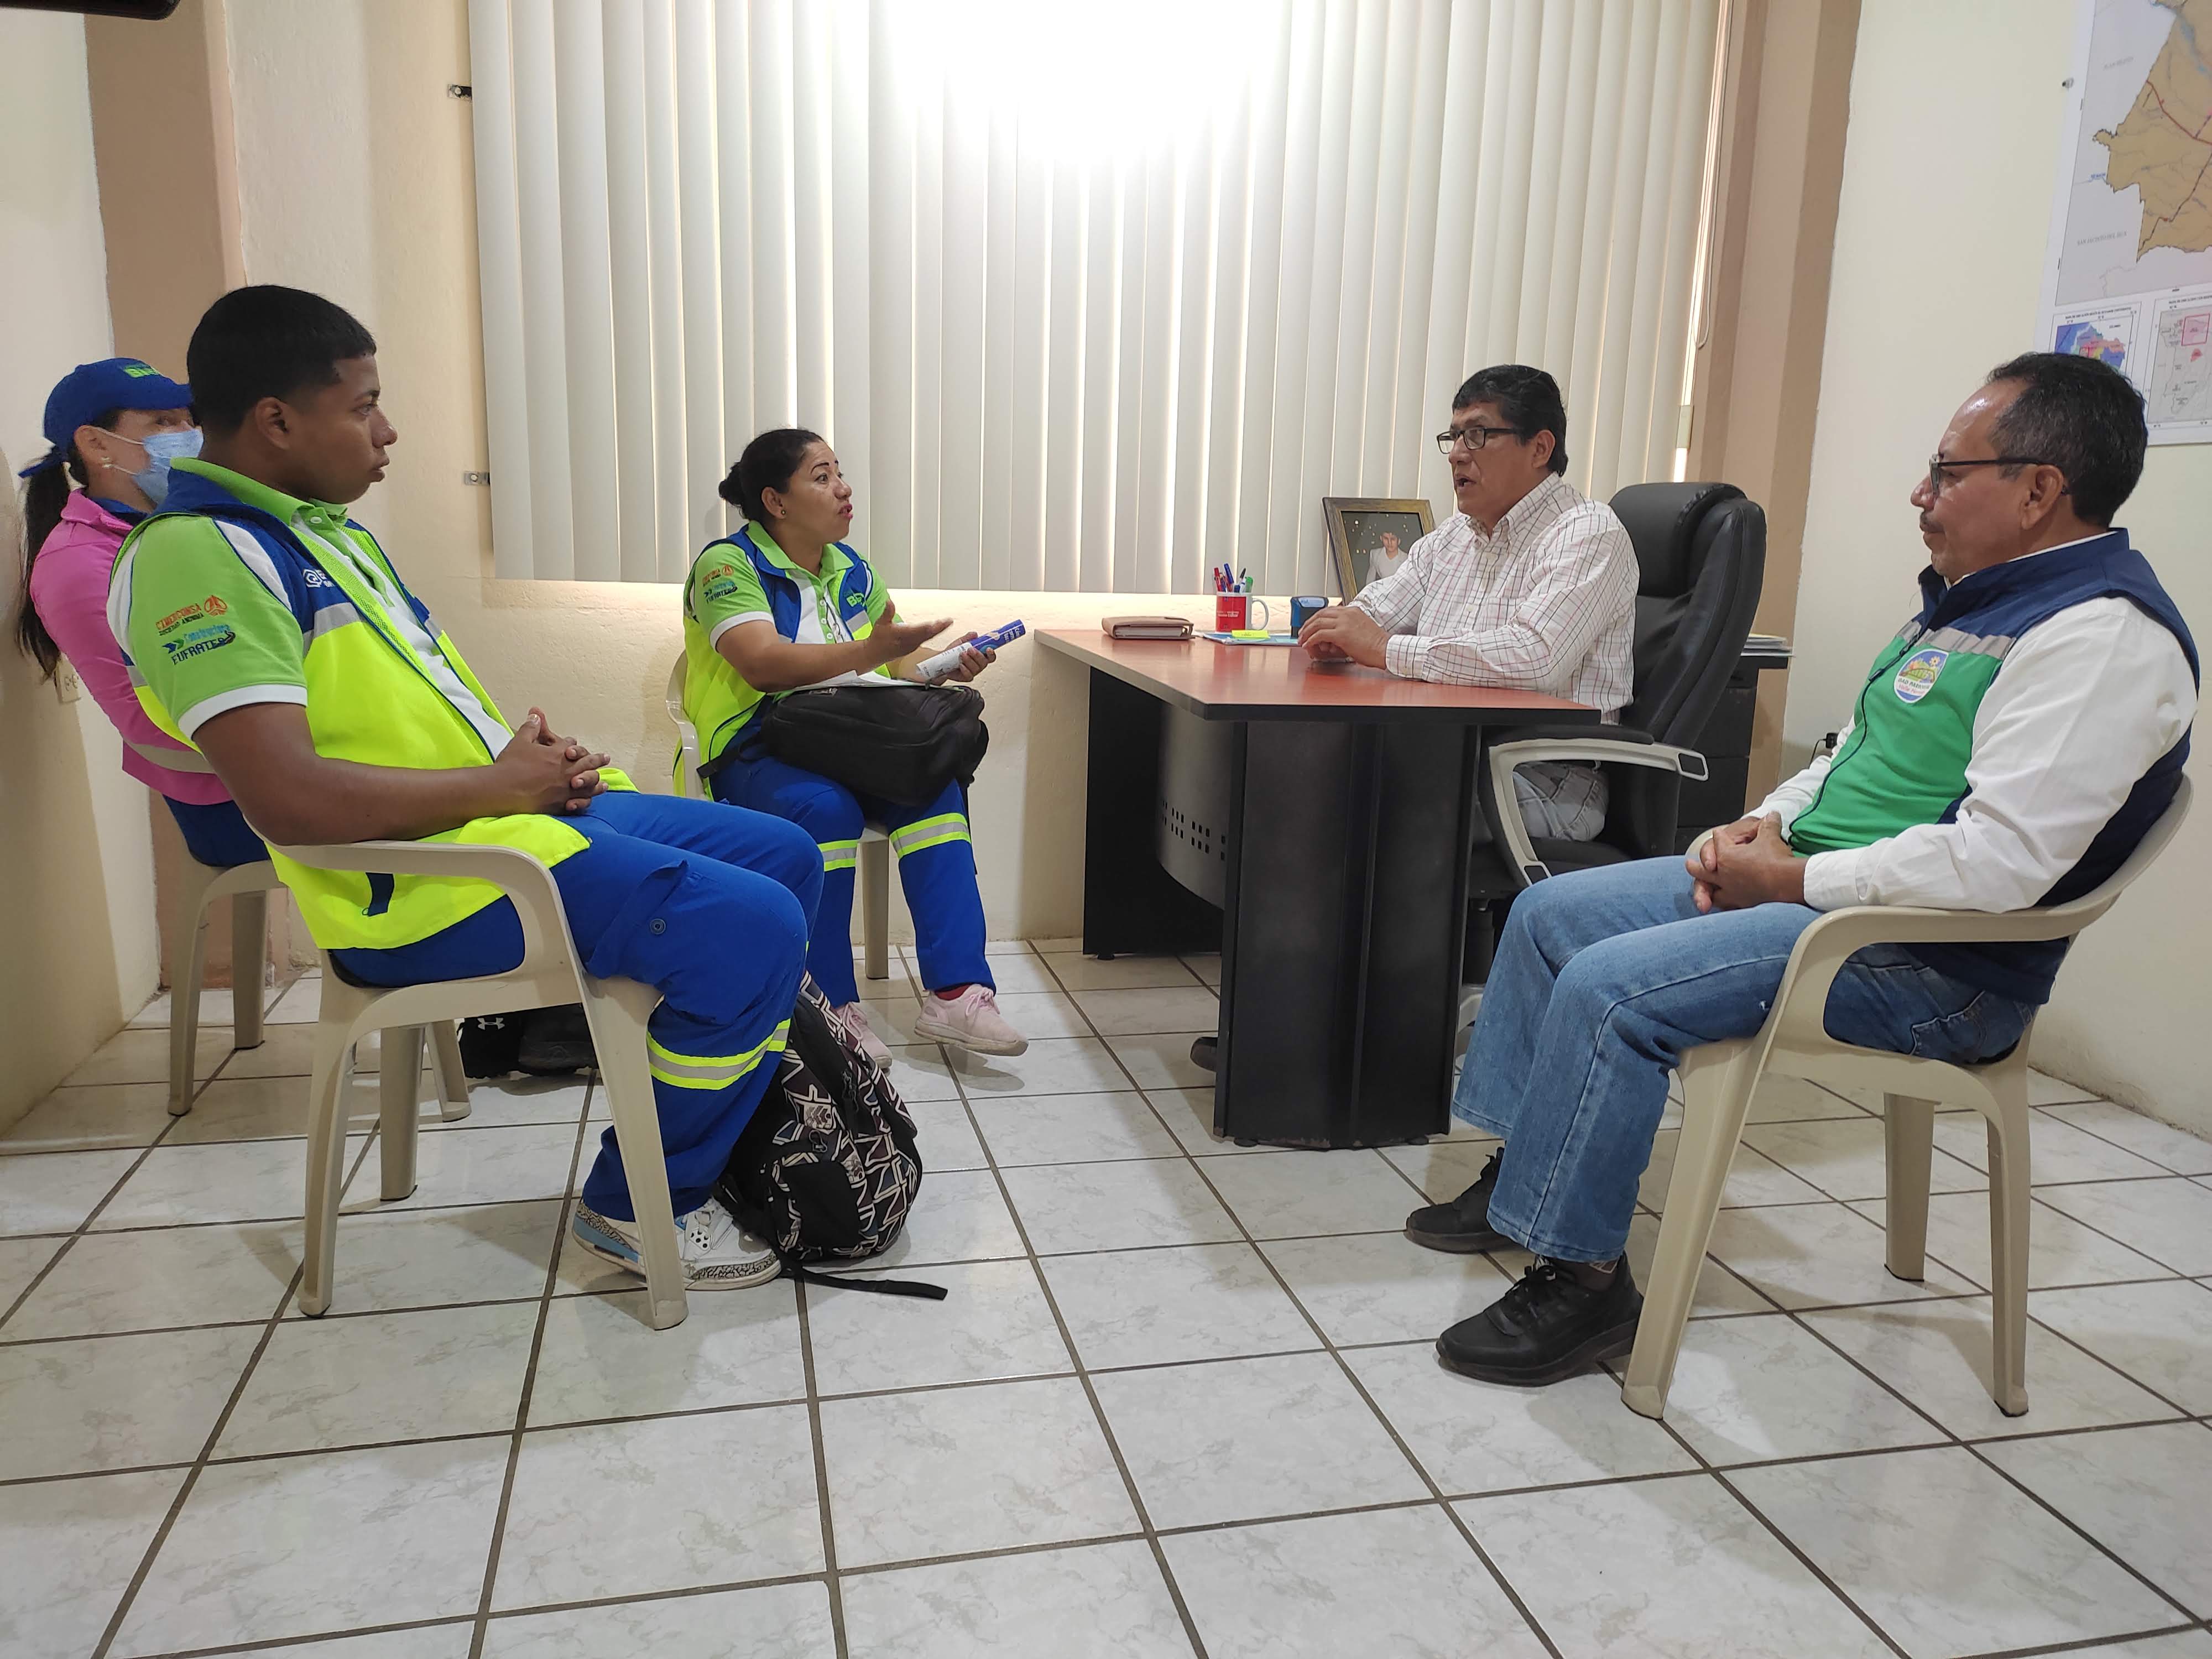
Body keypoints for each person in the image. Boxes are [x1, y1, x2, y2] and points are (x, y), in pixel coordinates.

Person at [1406, 352, 2196, 1386]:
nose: (1921, 493)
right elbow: (1848, 757)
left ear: (2040, 488)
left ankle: (1586, 1285)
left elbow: (1999, 867)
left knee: (1611, 989)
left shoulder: (2101, 638)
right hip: (1832, 894)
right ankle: (1533, 1176)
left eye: (1948, 472)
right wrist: (1757, 828)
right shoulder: (1966, 605)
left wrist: (1789, 883)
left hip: (1935, 964)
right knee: (1551, 914)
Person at [112, 285, 826, 1290]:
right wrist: (501, 785)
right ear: (276, 420)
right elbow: (286, 800)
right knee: (752, 926)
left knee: (783, 852)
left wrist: (523, 755)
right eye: (364, 405)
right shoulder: (199, 556)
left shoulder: (323, 534)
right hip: (417, 886)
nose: (388, 430)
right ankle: (639, 1206)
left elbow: (397, 714)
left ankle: (723, 1124)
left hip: (488, 825)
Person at [677, 429, 1025, 1062]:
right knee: (825, 808)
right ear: (775, 501)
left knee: (934, 790)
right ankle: (830, 1006)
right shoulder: (727, 566)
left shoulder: (850, 568)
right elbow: (762, 664)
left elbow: (892, 660)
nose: (843, 488)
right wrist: (871, 651)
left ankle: (956, 992)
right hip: (755, 747)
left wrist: (945, 661)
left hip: (845, 739)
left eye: (838, 472)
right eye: (822, 476)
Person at [1298, 364, 1637, 843]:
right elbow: (1377, 608)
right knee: (1308, 765)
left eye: (1477, 435)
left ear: (1540, 448)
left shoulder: (1587, 533)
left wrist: (1384, 648)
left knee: (1355, 797)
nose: (1458, 454)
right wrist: (1343, 631)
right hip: (1450, 751)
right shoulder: (1457, 535)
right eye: (1454, 436)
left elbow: (1535, 657)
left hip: (1543, 778)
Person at [15, 359, 263, 868]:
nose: (189, 435)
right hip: (234, 799)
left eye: (189, 420)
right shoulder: (77, 563)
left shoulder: (194, 519)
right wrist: (302, 753)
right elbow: (148, 718)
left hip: (289, 759)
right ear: (97, 445)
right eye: (163, 423)